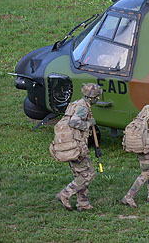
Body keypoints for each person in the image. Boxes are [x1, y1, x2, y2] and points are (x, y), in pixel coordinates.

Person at [54, 83, 102, 211]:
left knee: (80, 175)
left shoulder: (76, 103)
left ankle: (83, 204)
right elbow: (74, 122)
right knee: (88, 174)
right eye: (97, 97)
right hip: (77, 146)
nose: (98, 99)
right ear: (92, 97)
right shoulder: (83, 107)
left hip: (69, 145)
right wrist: (88, 124)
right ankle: (65, 194)